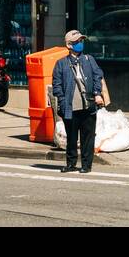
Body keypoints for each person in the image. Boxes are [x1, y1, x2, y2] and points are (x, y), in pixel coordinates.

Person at [50, 29, 106, 173]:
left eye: (81, 41)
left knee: (88, 137)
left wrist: (97, 93)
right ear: (69, 45)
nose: (80, 44)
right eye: (76, 42)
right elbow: (56, 85)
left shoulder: (89, 59)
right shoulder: (61, 64)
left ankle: (86, 165)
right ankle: (71, 164)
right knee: (72, 138)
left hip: (88, 105)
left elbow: (97, 75)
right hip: (70, 107)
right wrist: (62, 101)